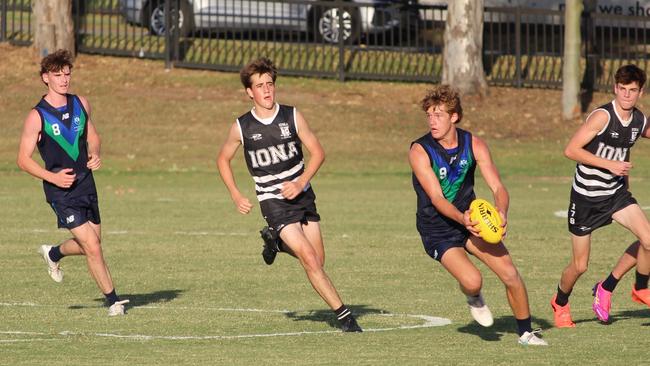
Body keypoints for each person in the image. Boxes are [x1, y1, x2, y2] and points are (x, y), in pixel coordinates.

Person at [216, 57, 362, 332]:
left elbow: (318, 152)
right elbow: (222, 159)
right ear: (250, 92)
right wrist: (236, 194)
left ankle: (276, 243)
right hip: (272, 201)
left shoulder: (292, 116)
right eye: (260, 86)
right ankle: (345, 316)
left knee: (318, 260)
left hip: (303, 195)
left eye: (270, 84)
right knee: (308, 258)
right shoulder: (241, 127)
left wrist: (300, 182)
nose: (267, 90)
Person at [408, 85, 547, 346]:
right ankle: (473, 296)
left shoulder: (474, 144)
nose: (432, 121)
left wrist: (501, 211)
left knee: (510, 273)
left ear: (454, 117)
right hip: (437, 228)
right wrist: (463, 219)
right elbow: (437, 198)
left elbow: (498, 187)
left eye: (438, 115)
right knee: (473, 281)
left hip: (471, 220)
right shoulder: (420, 150)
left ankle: (526, 333)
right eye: (429, 115)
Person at [17, 49, 128, 316]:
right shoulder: (37, 116)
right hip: (60, 191)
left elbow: (94, 136)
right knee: (92, 246)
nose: (64, 80)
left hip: (86, 184)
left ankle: (54, 253)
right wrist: (52, 177)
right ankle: (113, 301)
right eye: (58, 75)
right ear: (46, 78)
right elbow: (23, 159)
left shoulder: (81, 103)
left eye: (67, 74)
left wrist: (95, 153)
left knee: (92, 244)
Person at [551, 64, 650, 327]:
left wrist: (619, 176)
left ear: (640, 92)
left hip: (616, 193)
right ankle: (560, 301)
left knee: (648, 239)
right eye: (622, 89)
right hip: (586, 198)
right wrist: (610, 165)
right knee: (580, 265)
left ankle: (626, 287)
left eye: (633, 90)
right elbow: (571, 150)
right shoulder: (602, 117)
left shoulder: (639, 120)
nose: (627, 95)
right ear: (615, 88)